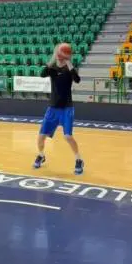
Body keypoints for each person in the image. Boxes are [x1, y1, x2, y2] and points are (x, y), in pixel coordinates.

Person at [34, 44, 84, 175]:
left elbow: (77, 80)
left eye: (62, 53)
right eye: (59, 52)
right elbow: (42, 74)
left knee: (68, 136)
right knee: (41, 137)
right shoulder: (53, 69)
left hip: (67, 107)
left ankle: (79, 160)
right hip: (53, 108)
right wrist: (52, 60)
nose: (59, 55)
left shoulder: (69, 69)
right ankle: (41, 155)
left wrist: (68, 61)